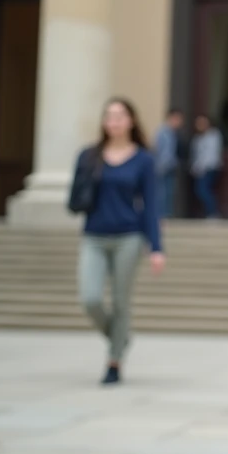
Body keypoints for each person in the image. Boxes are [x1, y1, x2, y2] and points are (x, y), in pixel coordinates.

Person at [75, 98, 165, 385]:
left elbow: (151, 205)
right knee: (90, 298)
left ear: (131, 121)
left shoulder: (143, 159)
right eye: (109, 116)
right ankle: (120, 337)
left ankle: (114, 362)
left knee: (121, 302)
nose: (113, 121)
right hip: (94, 236)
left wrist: (157, 247)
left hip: (129, 237)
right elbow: (76, 195)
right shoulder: (89, 156)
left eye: (119, 116)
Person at [152, 109, 184, 218]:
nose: (180, 122)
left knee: (169, 191)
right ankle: (162, 214)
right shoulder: (163, 132)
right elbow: (158, 150)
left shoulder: (173, 133)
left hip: (171, 166)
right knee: (162, 192)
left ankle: (167, 214)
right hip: (162, 167)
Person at [189, 115, 222, 219]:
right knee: (201, 190)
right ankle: (210, 213)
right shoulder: (197, 138)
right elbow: (195, 154)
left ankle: (212, 213)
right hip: (199, 169)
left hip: (209, 168)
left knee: (202, 190)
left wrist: (199, 167)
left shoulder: (213, 136)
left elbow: (210, 155)